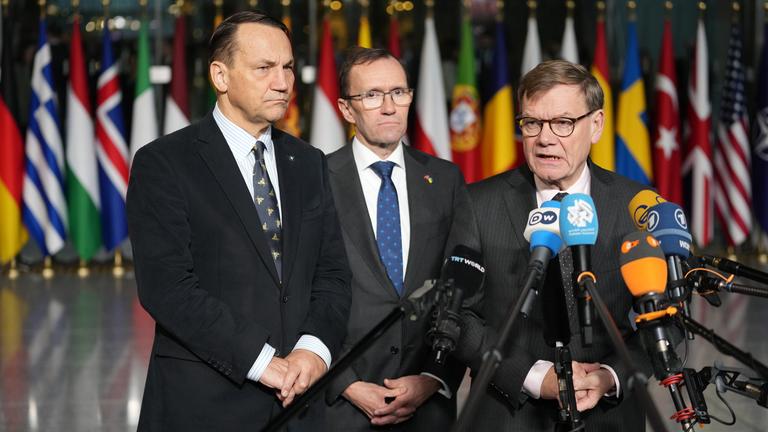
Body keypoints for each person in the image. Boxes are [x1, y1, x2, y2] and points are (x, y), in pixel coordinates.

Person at [126, 11, 351, 431]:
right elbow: (167, 287)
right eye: (264, 68)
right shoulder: (164, 163)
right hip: (205, 406)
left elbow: (333, 273)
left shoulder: (308, 162)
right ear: (220, 75)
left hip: (299, 405)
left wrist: (314, 350)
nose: (283, 82)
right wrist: (264, 362)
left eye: (286, 67)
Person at [459, 60, 650, 431]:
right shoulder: (476, 203)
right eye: (532, 123)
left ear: (595, 125)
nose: (545, 138)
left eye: (563, 123)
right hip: (511, 415)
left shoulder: (635, 206)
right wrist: (534, 376)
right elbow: (459, 319)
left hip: (608, 419)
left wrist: (610, 376)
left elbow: (667, 323)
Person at [323, 47, 480, 430]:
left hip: (425, 409)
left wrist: (432, 378)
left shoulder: (445, 180)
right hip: (340, 407)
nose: (390, 106)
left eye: (399, 92)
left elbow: (465, 290)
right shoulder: (317, 180)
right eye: (372, 95)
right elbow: (300, 292)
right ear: (346, 110)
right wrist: (346, 383)